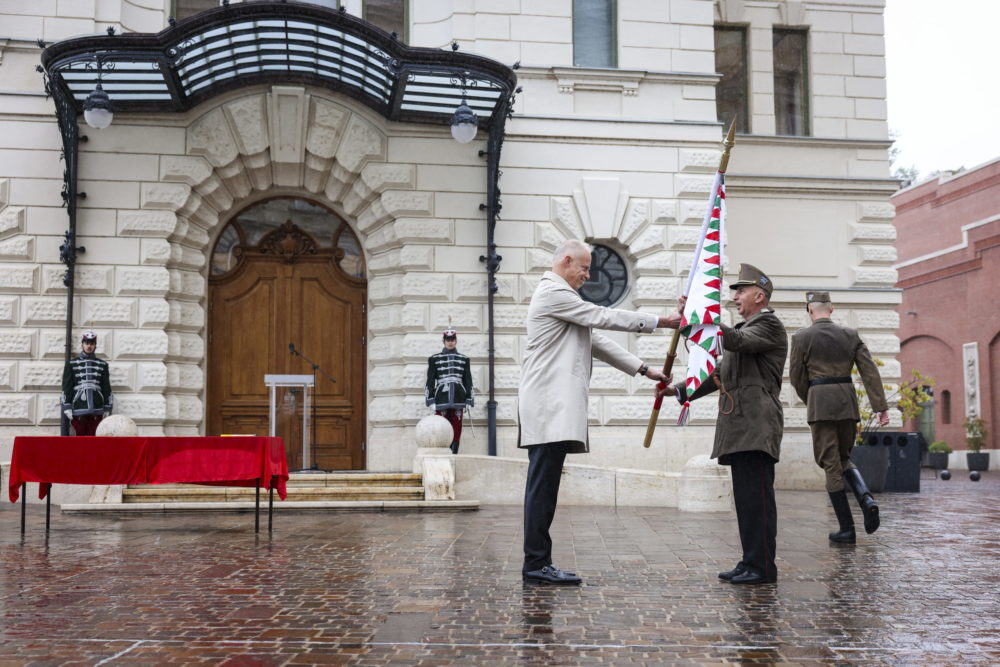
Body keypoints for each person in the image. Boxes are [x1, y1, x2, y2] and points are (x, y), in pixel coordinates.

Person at [519, 239, 683, 585]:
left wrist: (643, 369)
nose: (588, 275)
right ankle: (535, 563)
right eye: (585, 267)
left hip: (551, 409)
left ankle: (538, 561)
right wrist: (662, 322)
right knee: (542, 488)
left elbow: (595, 340)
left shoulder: (564, 299)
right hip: (549, 408)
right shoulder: (554, 293)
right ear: (566, 261)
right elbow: (603, 316)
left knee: (545, 487)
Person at [659, 263, 786, 585]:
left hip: (756, 422)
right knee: (745, 499)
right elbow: (718, 377)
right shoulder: (747, 329)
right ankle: (750, 561)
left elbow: (736, 340)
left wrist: (700, 314)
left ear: (760, 295)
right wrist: (680, 390)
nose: (735, 297)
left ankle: (763, 568)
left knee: (757, 498)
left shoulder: (768, 325)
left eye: (740, 291)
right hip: (741, 423)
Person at [789, 291, 888, 543]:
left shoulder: (801, 337)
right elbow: (869, 371)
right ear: (831, 308)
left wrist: (812, 397)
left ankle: (847, 529)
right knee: (843, 458)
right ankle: (866, 499)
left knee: (830, 463)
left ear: (809, 310)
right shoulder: (850, 335)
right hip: (847, 403)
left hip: (820, 404)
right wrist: (880, 407)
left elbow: (797, 377)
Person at [425, 327, 474, 454]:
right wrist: (431, 400)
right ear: (444, 341)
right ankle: (441, 453)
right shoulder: (434, 359)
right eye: (448, 339)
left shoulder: (464, 359)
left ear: (456, 341)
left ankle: (454, 454)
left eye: (452, 339)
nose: (450, 342)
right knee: (440, 428)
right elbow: (430, 381)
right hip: (441, 398)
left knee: (456, 428)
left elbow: (467, 381)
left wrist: (469, 399)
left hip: (458, 397)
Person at [61, 330, 113, 436]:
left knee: (95, 436)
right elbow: (67, 387)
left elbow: (106, 387)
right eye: (87, 343)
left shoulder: (102, 364)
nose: (89, 346)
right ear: (82, 345)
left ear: (95, 346)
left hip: (97, 406)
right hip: (78, 405)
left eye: (92, 344)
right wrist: (67, 406)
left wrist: (107, 407)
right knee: (80, 437)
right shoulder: (71, 364)